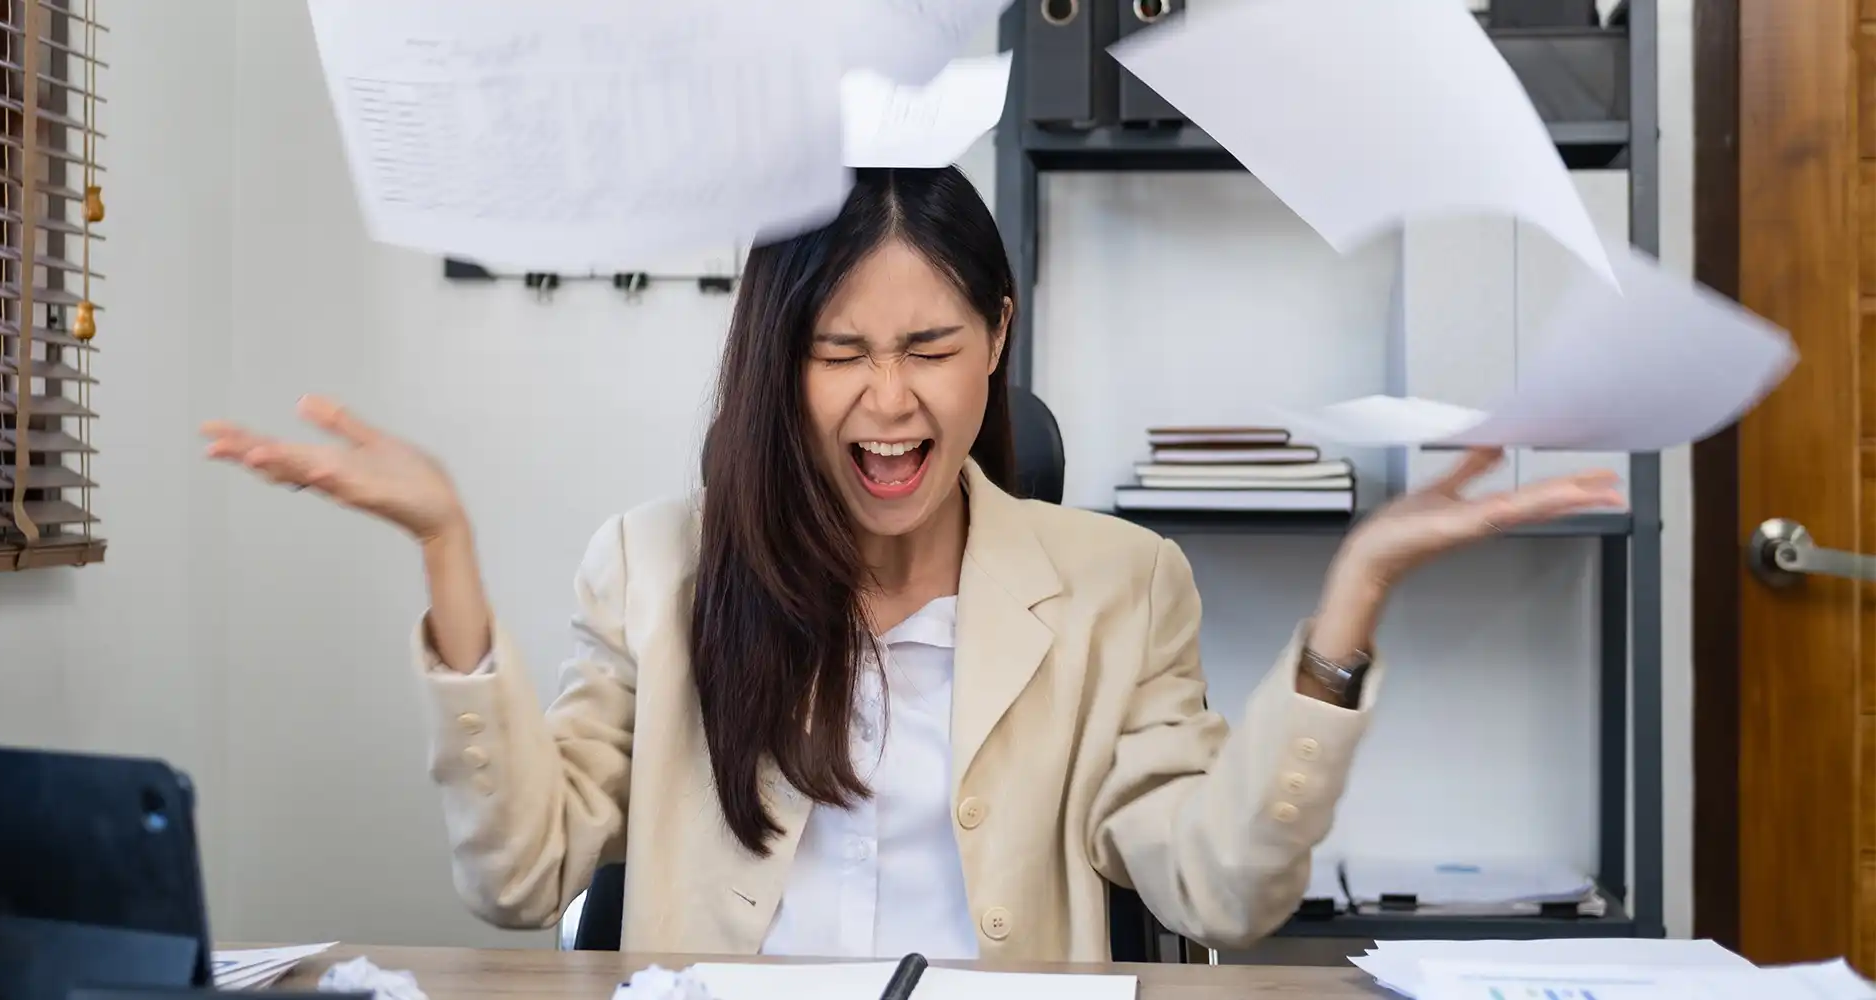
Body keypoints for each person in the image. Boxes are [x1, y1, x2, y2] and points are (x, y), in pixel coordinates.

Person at [203, 167, 1620, 962]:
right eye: (844, 356)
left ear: (997, 337)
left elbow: (1218, 891)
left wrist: (1349, 607)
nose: (894, 404)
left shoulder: (1124, 582)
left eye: (932, 349)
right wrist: (446, 548)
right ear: (780, 365)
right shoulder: (654, 564)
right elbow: (521, 876)